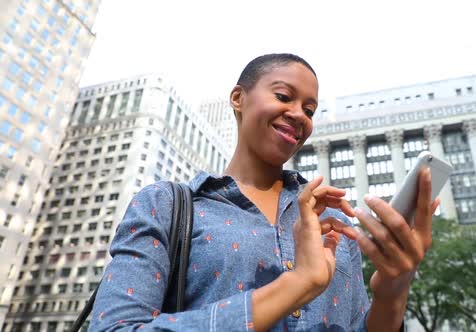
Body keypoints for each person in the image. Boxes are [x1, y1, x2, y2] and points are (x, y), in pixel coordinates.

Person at [89, 53, 439, 331]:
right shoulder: (165, 204)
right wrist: (298, 284)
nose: (299, 115)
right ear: (238, 98)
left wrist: (393, 290)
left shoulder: (332, 223)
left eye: (310, 110)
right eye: (285, 96)